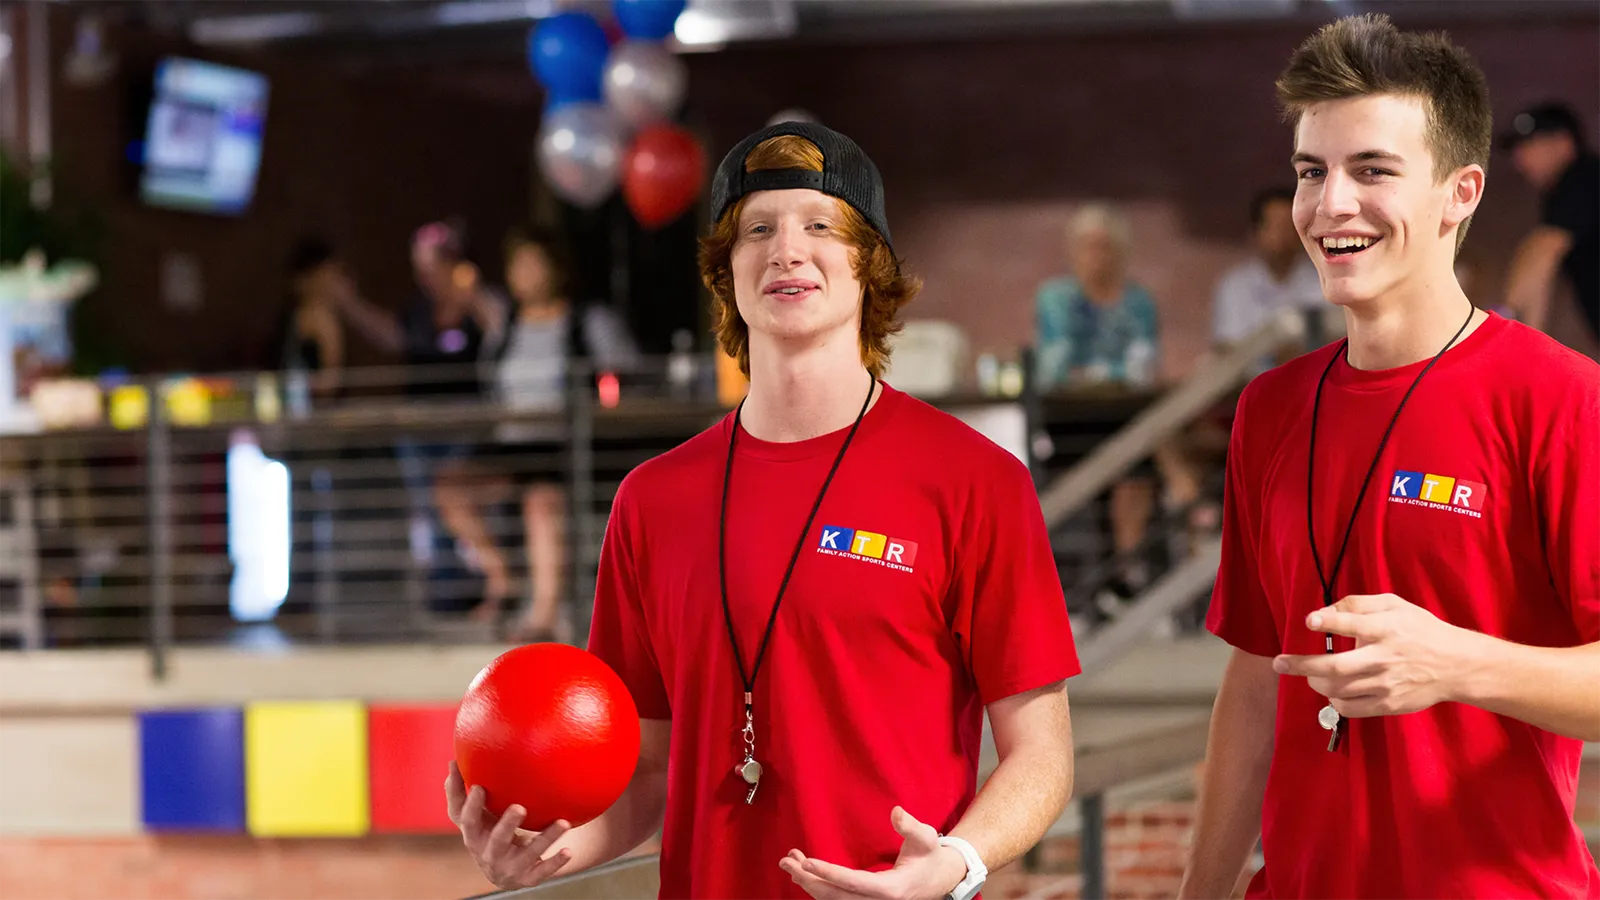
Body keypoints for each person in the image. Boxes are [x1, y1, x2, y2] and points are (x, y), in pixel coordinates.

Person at [445, 121, 1080, 899]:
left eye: (819, 225)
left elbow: (1042, 755)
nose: (786, 248)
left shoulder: (975, 481)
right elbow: (649, 771)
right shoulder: (652, 501)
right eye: (757, 229)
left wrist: (953, 864)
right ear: (727, 270)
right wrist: (540, 856)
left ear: (867, 264)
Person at [1181, 15, 1600, 900]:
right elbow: (1258, 677)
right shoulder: (1271, 408)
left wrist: (1453, 662)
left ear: (1461, 192)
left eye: (1372, 171)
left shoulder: (1560, 399)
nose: (1331, 204)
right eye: (1311, 172)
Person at [432, 223, 638, 640]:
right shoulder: (504, 325)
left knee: (542, 503)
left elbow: (627, 379)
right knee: (451, 489)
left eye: (532, 264)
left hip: (568, 446)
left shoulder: (588, 322)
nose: (523, 273)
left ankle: (543, 615)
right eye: (517, 265)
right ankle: (503, 577)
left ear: (555, 269)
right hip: (512, 444)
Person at [1501, 102, 1600, 339]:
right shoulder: (1565, 194)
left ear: (1563, 142)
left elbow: (1542, 251)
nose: (1519, 160)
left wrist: (1505, 321)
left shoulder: (1582, 178)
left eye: (1529, 145)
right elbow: (1542, 267)